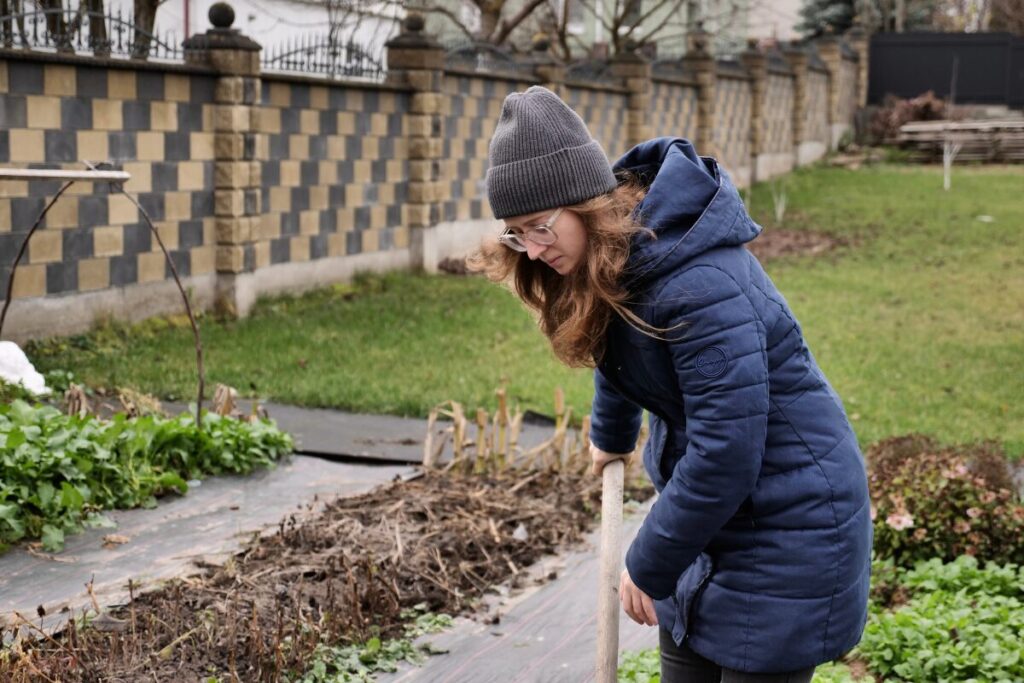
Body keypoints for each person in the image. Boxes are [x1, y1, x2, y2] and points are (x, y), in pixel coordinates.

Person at [469, 85, 872, 683]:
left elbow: (728, 451)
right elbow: (613, 337)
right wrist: (611, 435)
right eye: (515, 233)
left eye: (539, 227)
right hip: (712, 517)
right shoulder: (618, 259)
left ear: (583, 202)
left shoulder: (697, 285)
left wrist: (650, 560)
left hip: (791, 525)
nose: (530, 248)